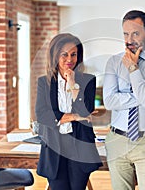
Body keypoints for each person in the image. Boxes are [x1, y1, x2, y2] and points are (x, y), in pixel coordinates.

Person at [103, 10, 145, 190]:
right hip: (117, 140)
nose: (129, 39)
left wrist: (133, 68)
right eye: (125, 33)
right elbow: (109, 101)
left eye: (135, 33)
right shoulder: (113, 62)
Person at [35, 33, 102, 190]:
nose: (69, 59)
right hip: (54, 147)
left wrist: (73, 85)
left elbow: (85, 111)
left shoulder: (88, 80)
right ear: (55, 55)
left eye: (74, 54)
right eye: (64, 54)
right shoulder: (44, 83)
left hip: (80, 146)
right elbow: (43, 115)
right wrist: (74, 117)